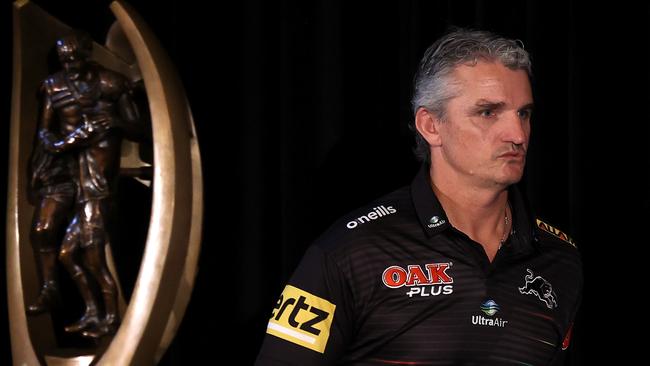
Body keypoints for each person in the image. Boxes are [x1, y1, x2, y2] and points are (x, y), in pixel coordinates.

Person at [255, 28, 582, 365]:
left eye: (523, 114)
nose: (516, 135)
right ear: (430, 126)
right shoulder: (350, 253)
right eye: (488, 113)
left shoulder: (561, 260)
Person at [30, 30, 141, 338]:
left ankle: (110, 318)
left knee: (94, 260)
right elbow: (47, 132)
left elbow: (139, 129)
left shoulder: (110, 94)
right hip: (78, 185)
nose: (69, 66)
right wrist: (52, 146)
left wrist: (116, 123)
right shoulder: (55, 88)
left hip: (97, 193)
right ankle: (91, 311)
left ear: (86, 55)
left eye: (74, 59)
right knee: (64, 252)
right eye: (64, 60)